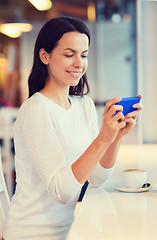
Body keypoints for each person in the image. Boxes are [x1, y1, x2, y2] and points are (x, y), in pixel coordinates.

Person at [4, 16, 143, 240]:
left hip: (72, 226)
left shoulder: (84, 105)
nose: (79, 63)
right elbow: (61, 191)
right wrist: (102, 139)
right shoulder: (35, 110)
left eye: (84, 55)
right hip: (34, 233)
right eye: (69, 54)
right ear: (45, 56)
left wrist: (114, 137)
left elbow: (97, 178)